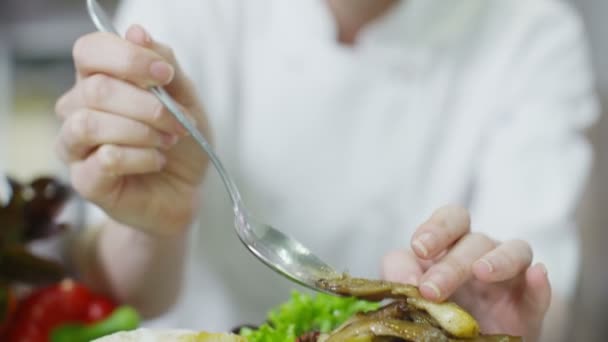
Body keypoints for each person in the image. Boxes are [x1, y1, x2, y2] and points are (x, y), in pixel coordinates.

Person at [54, 0, 598, 341]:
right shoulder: (187, 12)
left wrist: (494, 318)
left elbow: (543, 299)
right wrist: (155, 226)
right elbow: (126, 292)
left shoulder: (532, 31)